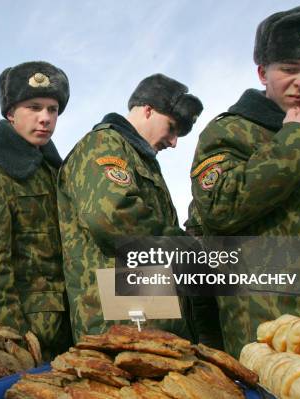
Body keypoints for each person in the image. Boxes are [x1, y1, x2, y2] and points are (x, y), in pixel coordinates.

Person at [190, 5, 300, 357]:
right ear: (262, 72)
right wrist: (296, 141)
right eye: (288, 69)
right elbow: (218, 208)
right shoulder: (231, 129)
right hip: (276, 328)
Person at [57, 73, 203, 341]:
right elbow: (112, 215)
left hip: (145, 312)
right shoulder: (103, 144)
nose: (173, 142)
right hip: (121, 321)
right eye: (171, 127)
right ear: (148, 110)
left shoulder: (139, 159)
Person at [0, 61, 72, 360]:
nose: (45, 118)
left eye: (52, 110)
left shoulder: (56, 171)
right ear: (10, 113)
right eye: (34, 107)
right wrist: (13, 343)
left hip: (69, 329)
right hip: (28, 337)